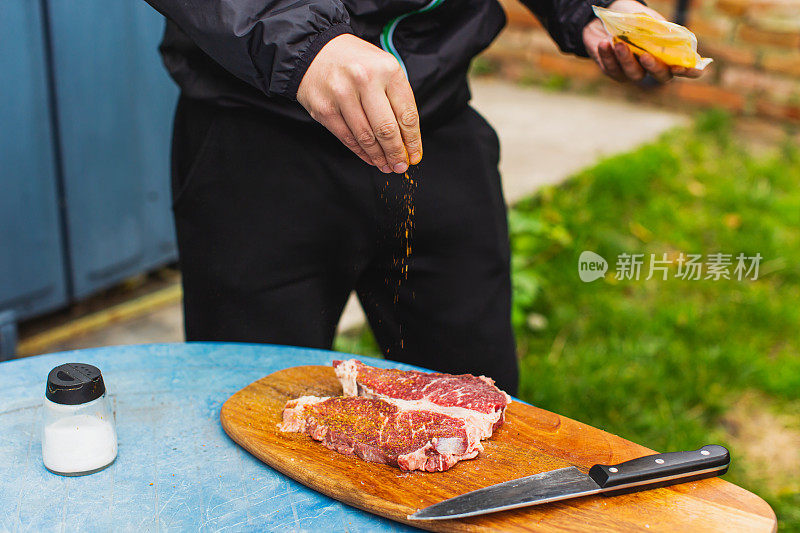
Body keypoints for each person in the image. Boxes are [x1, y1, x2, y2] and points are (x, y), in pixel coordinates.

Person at [145, 0, 703, 395]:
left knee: (477, 401)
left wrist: (590, 9)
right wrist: (299, 38)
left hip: (435, 124)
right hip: (257, 140)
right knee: (254, 407)